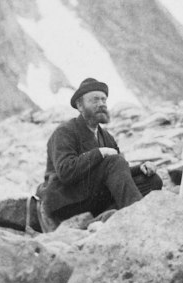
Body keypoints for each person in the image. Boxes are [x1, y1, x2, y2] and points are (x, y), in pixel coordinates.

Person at [38, 77, 163, 231]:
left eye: (104, 99)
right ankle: (139, 221)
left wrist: (141, 168)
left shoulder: (106, 136)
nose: (102, 104)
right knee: (115, 161)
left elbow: (118, 175)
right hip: (66, 201)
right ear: (79, 105)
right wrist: (99, 153)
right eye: (95, 100)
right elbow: (66, 172)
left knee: (152, 181)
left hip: (92, 198)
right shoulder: (65, 132)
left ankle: (109, 218)